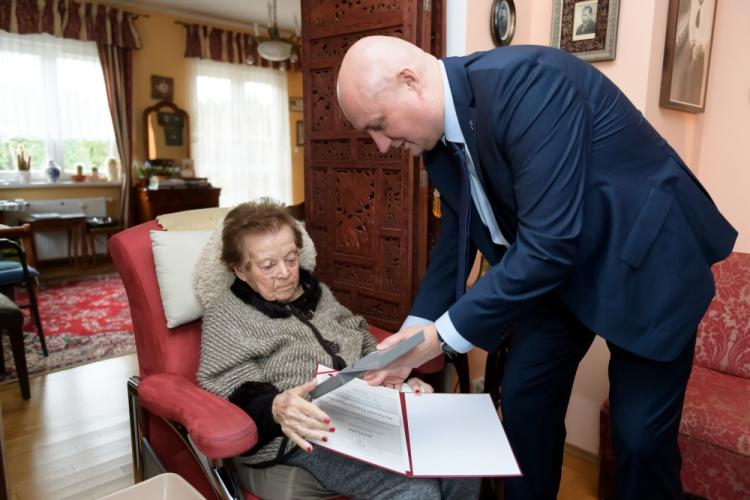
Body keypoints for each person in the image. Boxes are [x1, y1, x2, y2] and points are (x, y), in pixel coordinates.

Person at [336, 36, 737, 499]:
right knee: (525, 406)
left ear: (410, 81)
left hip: (645, 263)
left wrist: (438, 337)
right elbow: (460, 237)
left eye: (380, 125)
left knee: (641, 439)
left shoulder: (527, 83)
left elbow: (549, 244)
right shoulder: (435, 141)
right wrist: (416, 327)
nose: (382, 146)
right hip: (552, 277)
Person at [197, 199, 480, 500]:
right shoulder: (226, 315)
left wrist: (400, 381)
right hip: (305, 431)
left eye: (291, 258)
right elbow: (229, 385)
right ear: (241, 269)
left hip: (366, 409)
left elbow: (361, 338)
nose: (284, 273)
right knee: (415, 491)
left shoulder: (317, 294)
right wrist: (276, 406)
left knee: (462, 458)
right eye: (268, 266)